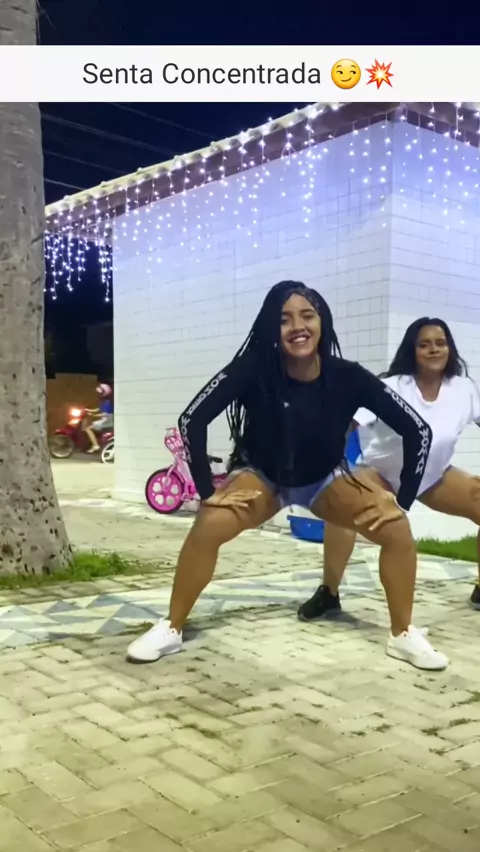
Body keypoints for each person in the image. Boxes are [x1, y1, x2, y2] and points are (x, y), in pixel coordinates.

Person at [127, 282, 447, 671]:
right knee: (209, 524)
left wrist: (403, 499)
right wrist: (207, 491)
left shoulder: (348, 376)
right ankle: (172, 627)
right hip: (263, 478)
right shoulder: (254, 368)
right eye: (284, 319)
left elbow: (418, 430)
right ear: (270, 328)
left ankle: (403, 634)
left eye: (307, 316)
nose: (298, 327)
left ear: (322, 322)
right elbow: (192, 419)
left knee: (396, 528)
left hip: (325, 481)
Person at [299, 317, 480, 624]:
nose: (434, 350)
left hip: (432, 476)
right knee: (344, 508)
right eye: (424, 344)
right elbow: (348, 423)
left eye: (440, 343)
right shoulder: (392, 386)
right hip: (382, 474)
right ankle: (329, 592)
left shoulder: (463, 388)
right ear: (412, 350)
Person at [84, 383, 114, 453]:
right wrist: (88, 410)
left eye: (101, 391)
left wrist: (93, 415)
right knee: (92, 426)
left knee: (88, 429)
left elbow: (104, 414)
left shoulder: (107, 402)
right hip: (105, 420)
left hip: (107, 421)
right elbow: (99, 409)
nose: (99, 393)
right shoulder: (104, 401)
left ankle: (95, 445)